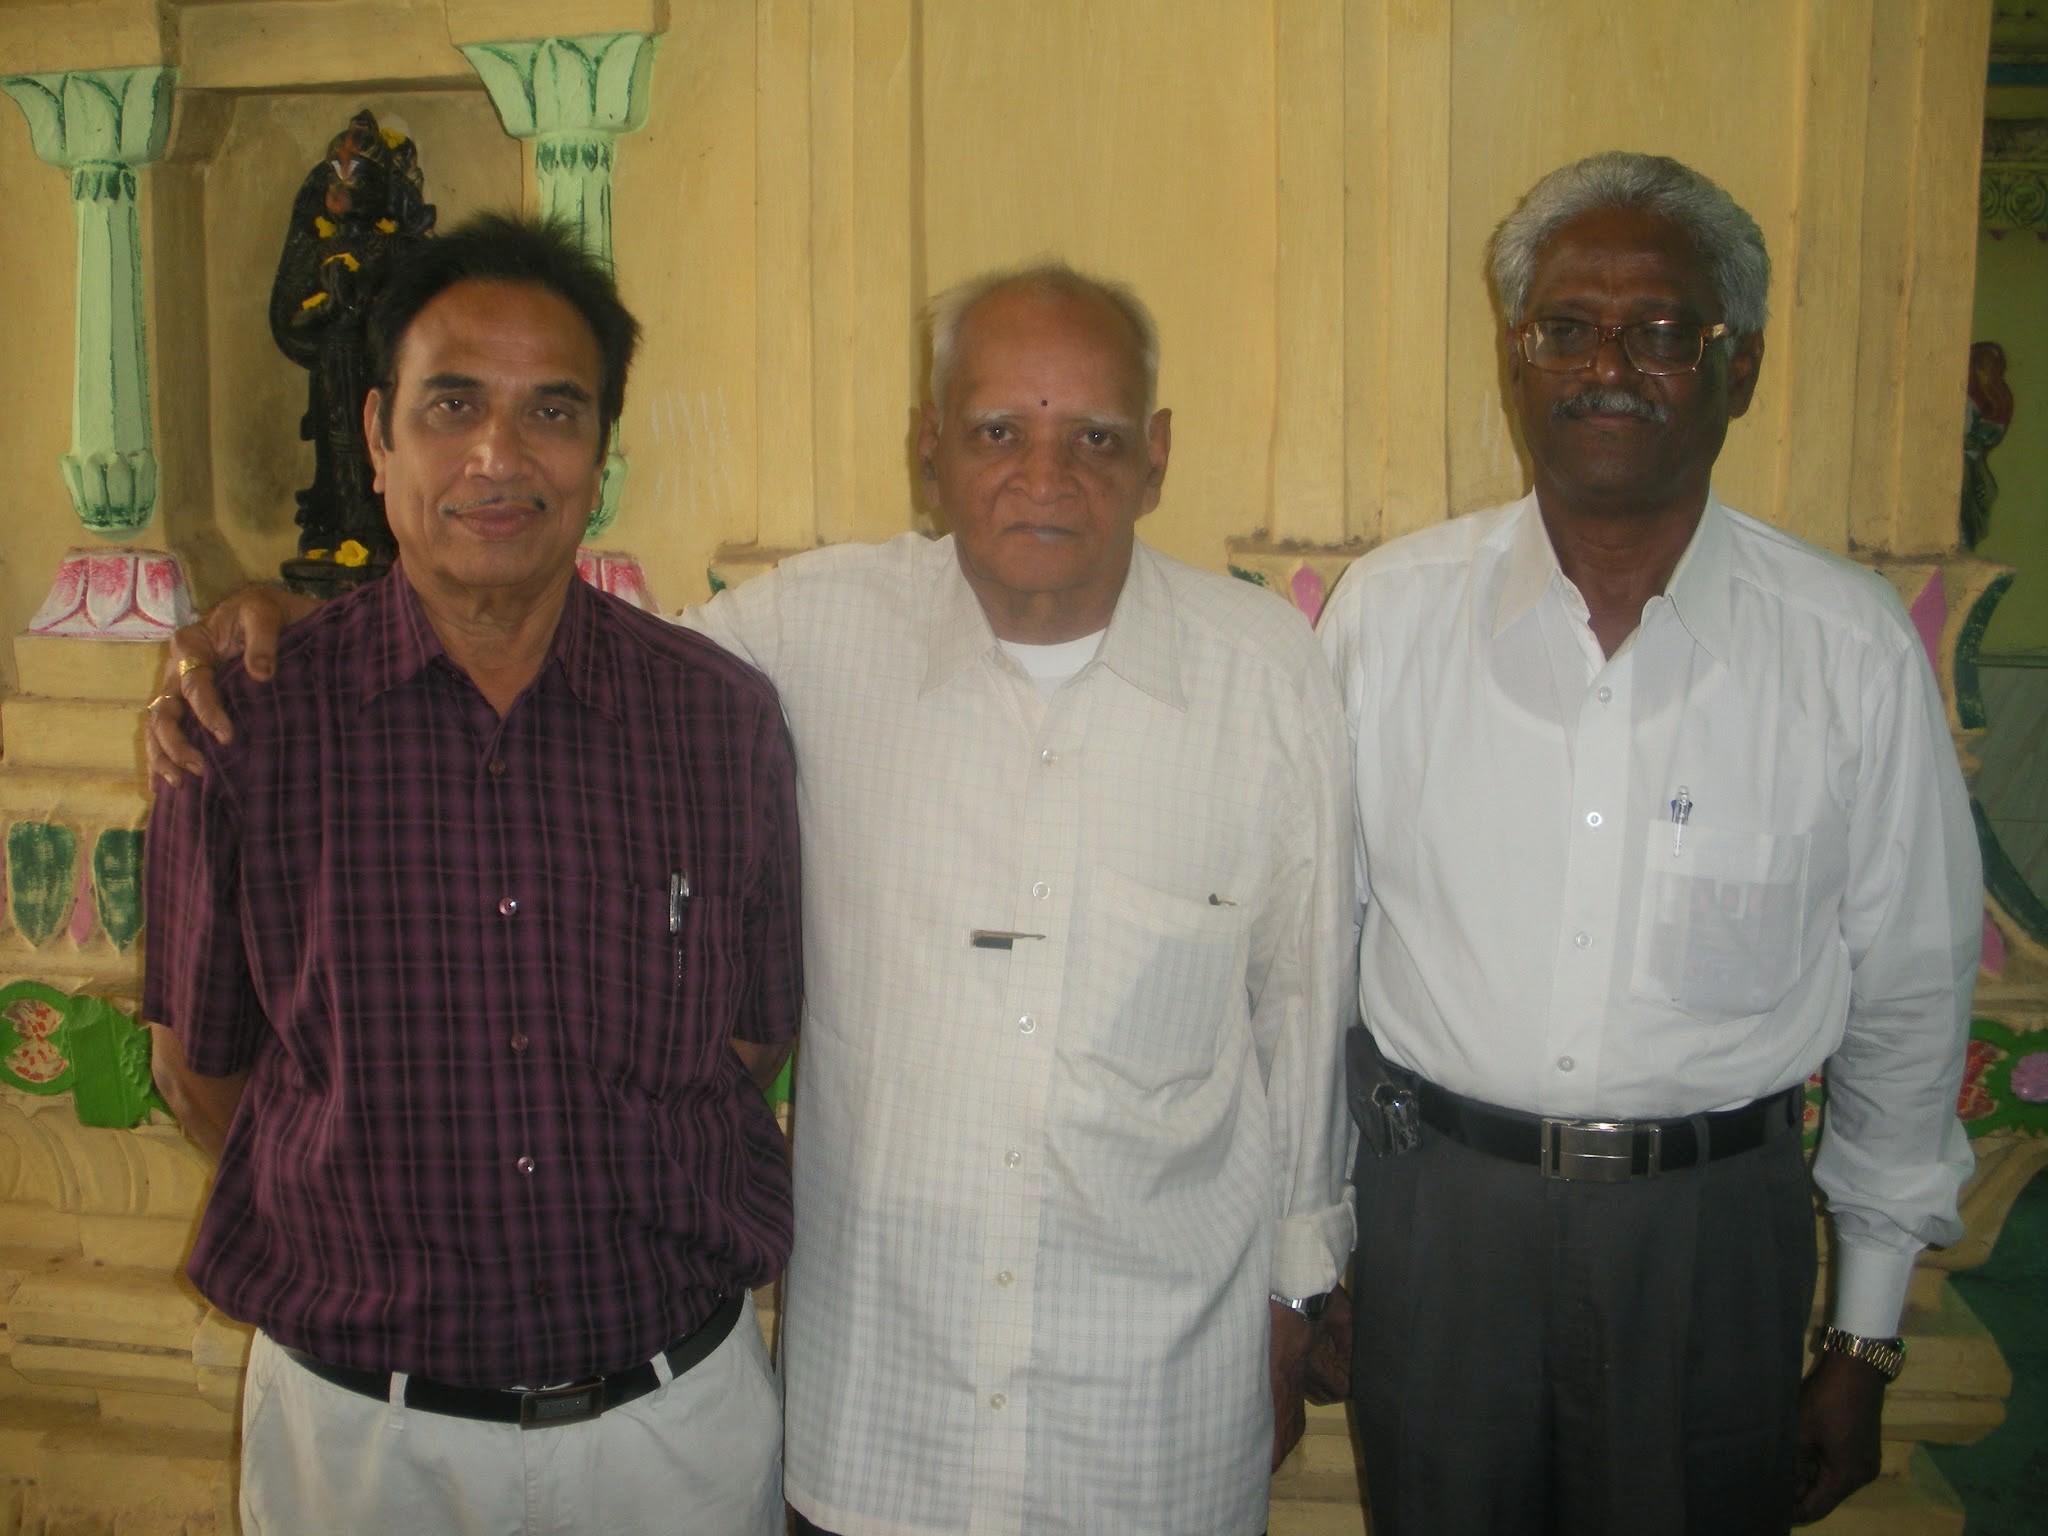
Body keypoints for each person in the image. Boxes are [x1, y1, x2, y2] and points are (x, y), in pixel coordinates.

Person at [148, 260, 1356, 1535]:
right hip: (828, 1429)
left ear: (1156, 455)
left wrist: (1295, 1305)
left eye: (1094, 437)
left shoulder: (1259, 680)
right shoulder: (797, 639)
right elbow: (204, 1074)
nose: (1043, 476)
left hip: (1131, 1414)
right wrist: (274, 622)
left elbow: (1303, 1013)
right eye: (997, 430)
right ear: (929, 451)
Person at [1317, 151, 1982, 1535]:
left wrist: (1862, 1337)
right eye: (1566, 328)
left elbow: (1910, 995)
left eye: (1662, 332)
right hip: (1440, 1231)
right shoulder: (1389, 619)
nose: (1606, 367)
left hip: (1713, 1246)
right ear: (1515, 361)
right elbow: (1314, 958)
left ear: (1740, 370)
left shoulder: (1845, 650)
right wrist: (1315, 1252)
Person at [143, 214, 802, 1536]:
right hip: (360, 1445)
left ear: (601, 454)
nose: (499, 456)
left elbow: (748, 1039)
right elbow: (201, 1074)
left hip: (670, 1434)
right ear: (377, 435)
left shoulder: (717, 720)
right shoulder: (248, 722)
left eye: (552, 410)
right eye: (452, 405)